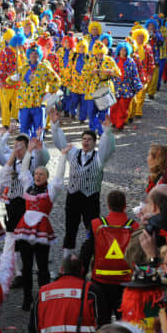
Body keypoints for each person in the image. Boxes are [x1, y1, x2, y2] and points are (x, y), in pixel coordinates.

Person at [8, 141, 68, 311]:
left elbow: (59, 177)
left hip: (42, 230)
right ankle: (27, 299)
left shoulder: (51, 189)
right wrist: (28, 151)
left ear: (46, 177)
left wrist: (63, 156)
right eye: (37, 174)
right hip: (25, 229)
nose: (38, 176)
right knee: (27, 267)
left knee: (42, 267)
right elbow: (24, 170)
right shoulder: (28, 185)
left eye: (42, 174)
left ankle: (44, 298)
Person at [50, 106, 116, 255]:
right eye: (84, 139)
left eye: (89, 140)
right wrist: (55, 126)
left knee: (92, 228)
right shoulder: (73, 153)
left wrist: (107, 131)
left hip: (90, 198)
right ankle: (67, 259)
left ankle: (91, 256)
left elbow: (108, 147)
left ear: (94, 142)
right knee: (70, 228)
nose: (86, 142)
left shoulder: (99, 157)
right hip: (73, 196)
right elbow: (61, 143)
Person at [28, 254, 109, 333]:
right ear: (82, 269)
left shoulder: (43, 293)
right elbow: (103, 327)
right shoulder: (91, 291)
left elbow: (34, 328)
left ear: (61, 270)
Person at [79, 190, 140, 319]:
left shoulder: (96, 224)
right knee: (124, 318)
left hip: (100, 279)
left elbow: (87, 251)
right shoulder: (134, 227)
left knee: (102, 317)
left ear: (108, 205)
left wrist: (81, 276)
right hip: (126, 281)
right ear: (125, 205)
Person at [14, 44, 60, 140]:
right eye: (31, 53)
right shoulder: (23, 68)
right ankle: (26, 151)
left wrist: (50, 93)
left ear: (39, 54)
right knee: (24, 129)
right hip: (25, 103)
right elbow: (11, 81)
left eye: (36, 53)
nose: (33, 55)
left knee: (38, 130)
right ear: (28, 55)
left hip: (38, 104)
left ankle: (37, 151)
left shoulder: (44, 67)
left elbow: (56, 80)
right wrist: (11, 79)